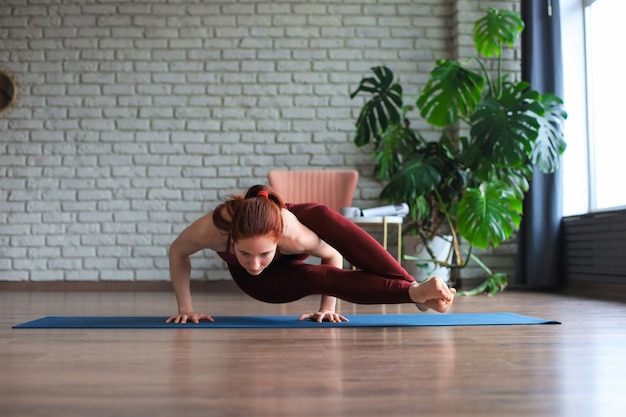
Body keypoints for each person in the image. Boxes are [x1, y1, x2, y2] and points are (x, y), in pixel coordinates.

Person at [167, 184, 456, 324]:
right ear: (232, 239)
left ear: (278, 239)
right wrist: (186, 309)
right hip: (264, 286)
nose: (254, 263)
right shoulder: (214, 228)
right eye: (245, 253)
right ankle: (415, 292)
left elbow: (333, 257)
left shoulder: (295, 235)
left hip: (290, 222)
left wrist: (327, 308)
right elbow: (178, 251)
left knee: (322, 216)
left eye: (264, 254)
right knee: (314, 275)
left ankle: (415, 292)